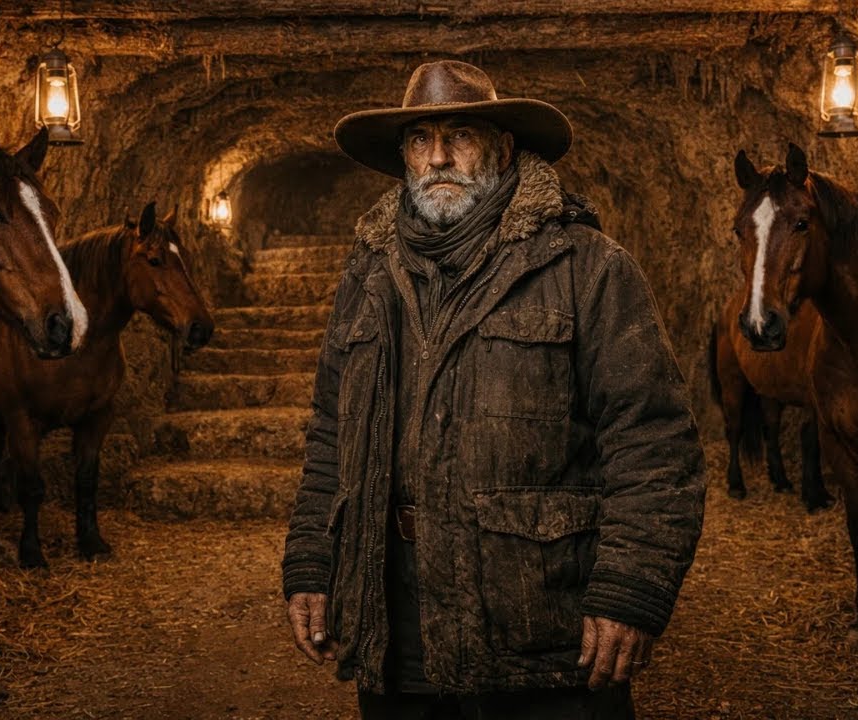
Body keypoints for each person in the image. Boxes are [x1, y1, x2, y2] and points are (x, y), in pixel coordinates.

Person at [282, 60, 706, 719]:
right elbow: (332, 432)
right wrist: (311, 563)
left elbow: (653, 441)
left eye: (462, 136)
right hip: (399, 629)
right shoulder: (368, 274)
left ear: (504, 149)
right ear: (404, 159)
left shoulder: (587, 268)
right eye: (421, 140)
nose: (440, 157)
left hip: (538, 630)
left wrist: (628, 592)